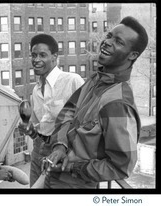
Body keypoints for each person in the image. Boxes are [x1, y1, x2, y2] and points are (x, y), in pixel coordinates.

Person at [45, 16, 148, 189]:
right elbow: (68, 111)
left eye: (118, 42)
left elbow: (121, 166)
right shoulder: (96, 79)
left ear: (133, 55)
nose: (107, 42)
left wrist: (71, 167)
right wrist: (60, 146)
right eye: (109, 36)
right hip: (52, 176)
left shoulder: (118, 102)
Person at [18, 34, 84, 187]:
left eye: (42, 55)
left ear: (54, 57)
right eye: (34, 55)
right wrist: (29, 130)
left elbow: (85, 121)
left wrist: (66, 149)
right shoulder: (35, 90)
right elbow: (39, 131)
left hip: (64, 153)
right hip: (38, 151)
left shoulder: (72, 81)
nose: (36, 59)